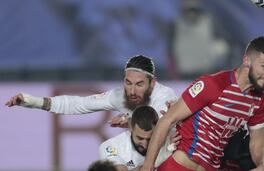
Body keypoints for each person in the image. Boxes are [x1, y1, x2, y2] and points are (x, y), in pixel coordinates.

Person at [140, 36, 264, 171]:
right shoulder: (213, 84)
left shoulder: (258, 99)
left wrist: (262, 165)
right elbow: (166, 120)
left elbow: (258, 141)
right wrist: (148, 166)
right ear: (247, 60)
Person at [5, 55, 178, 126]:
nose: (132, 91)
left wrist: (129, 119)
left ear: (152, 83)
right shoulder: (119, 96)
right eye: (128, 83)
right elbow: (78, 104)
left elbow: (156, 122)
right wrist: (34, 102)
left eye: (139, 84)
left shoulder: (165, 95)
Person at [168, 0, 230, 78]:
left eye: (194, 7)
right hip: (184, 75)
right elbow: (170, 50)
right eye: (188, 7)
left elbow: (223, 46)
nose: (191, 11)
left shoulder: (210, 22)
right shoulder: (175, 24)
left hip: (207, 73)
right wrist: (173, 72)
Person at [99, 106, 173, 171]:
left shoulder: (170, 138)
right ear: (131, 128)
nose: (145, 145)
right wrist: (162, 157)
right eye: (140, 138)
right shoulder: (110, 146)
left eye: (150, 139)